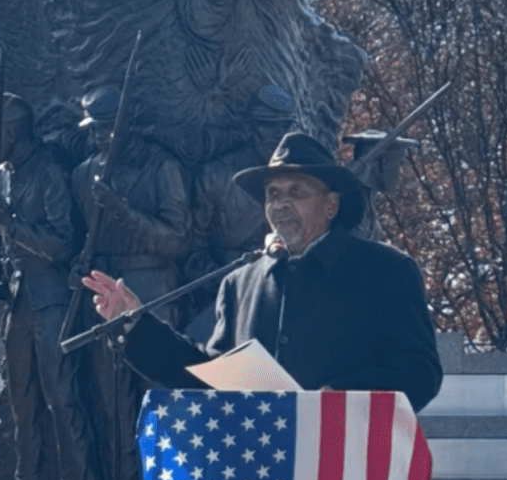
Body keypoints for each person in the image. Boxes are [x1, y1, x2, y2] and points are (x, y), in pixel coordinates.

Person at [82, 131, 443, 413]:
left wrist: (338, 396)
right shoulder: (240, 283)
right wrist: (135, 325)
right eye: (272, 194)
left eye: (297, 191)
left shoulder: (386, 271)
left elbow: (419, 374)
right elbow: (212, 376)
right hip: (261, 476)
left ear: (331, 205)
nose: (280, 203)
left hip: (341, 473)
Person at [0, 94, 102, 480]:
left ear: (12, 130)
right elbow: (13, 250)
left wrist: (9, 224)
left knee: (64, 407)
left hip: (52, 303)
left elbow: (64, 243)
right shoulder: (4, 178)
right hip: (21, 307)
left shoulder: (47, 169)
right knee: (23, 416)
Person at [70, 85, 192, 480]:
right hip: (104, 296)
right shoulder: (86, 174)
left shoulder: (163, 169)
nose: (100, 138)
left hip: (153, 291)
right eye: (94, 129)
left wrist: (123, 212)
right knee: (113, 410)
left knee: (157, 410)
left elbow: (176, 239)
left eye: (108, 128)